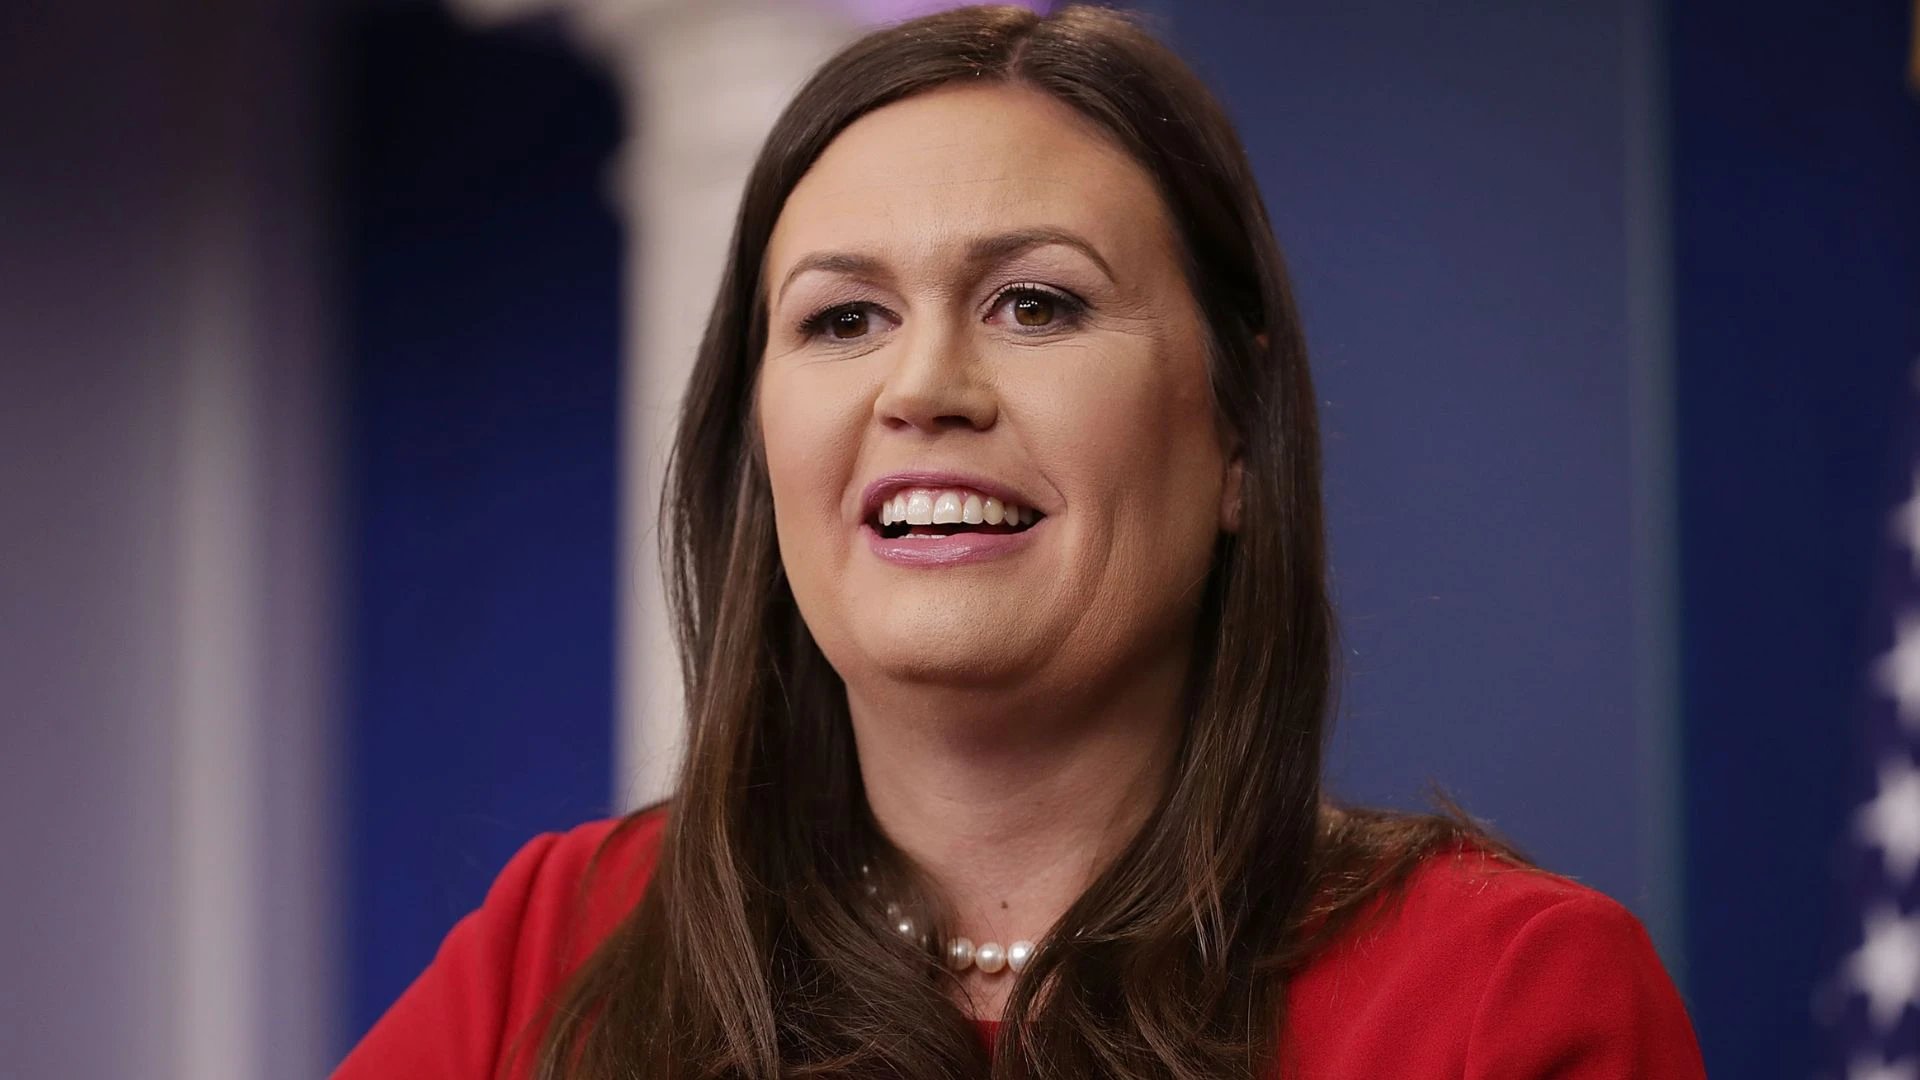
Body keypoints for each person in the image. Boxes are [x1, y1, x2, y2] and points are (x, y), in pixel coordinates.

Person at [335, 5, 1707, 1078]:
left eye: (1037, 304)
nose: (922, 386)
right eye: (841, 319)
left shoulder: (1505, 995)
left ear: (1237, 435)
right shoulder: (566, 941)